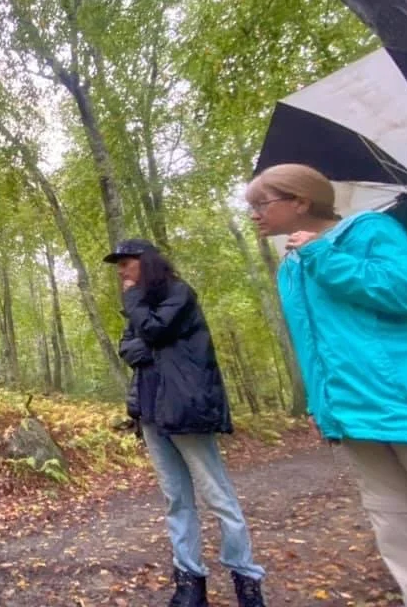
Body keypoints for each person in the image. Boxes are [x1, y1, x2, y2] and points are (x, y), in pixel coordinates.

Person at [247, 163, 407, 607]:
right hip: (353, 413)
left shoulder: (369, 231)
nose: (254, 215)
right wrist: (323, 407)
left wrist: (324, 256)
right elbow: (312, 346)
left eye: (262, 204)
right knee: (395, 524)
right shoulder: (291, 266)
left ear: (300, 201)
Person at [107, 239, 266, 607]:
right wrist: (150, 340)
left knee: (217, 495)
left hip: (186, 408)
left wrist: (146, 329)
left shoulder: (179, 293)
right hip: (150, 410)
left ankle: (246, 579)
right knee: (175, 498)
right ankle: (189, 582)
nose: (121, 271)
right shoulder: (140, 308)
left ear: (145, 263)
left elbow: (155, 332)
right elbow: (129, 348)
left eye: (126, 263)